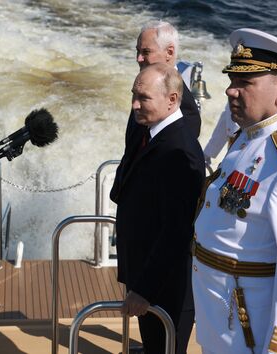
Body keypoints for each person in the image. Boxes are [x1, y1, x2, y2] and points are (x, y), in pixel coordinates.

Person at [192, 28, 277, 354]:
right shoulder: (249, 137)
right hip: (220, 322)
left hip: (246, 333)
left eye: (244, 83)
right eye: (232, 80)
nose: (230, 91)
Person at [110, 20, 202, 353]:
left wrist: (145, 288)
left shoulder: (179, 149)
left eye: (142, 98)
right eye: (134, 97)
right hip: (147, 265)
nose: (135, 105)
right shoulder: (155, 124)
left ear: (172, 100)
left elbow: (176, 229)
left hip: (164, 281)